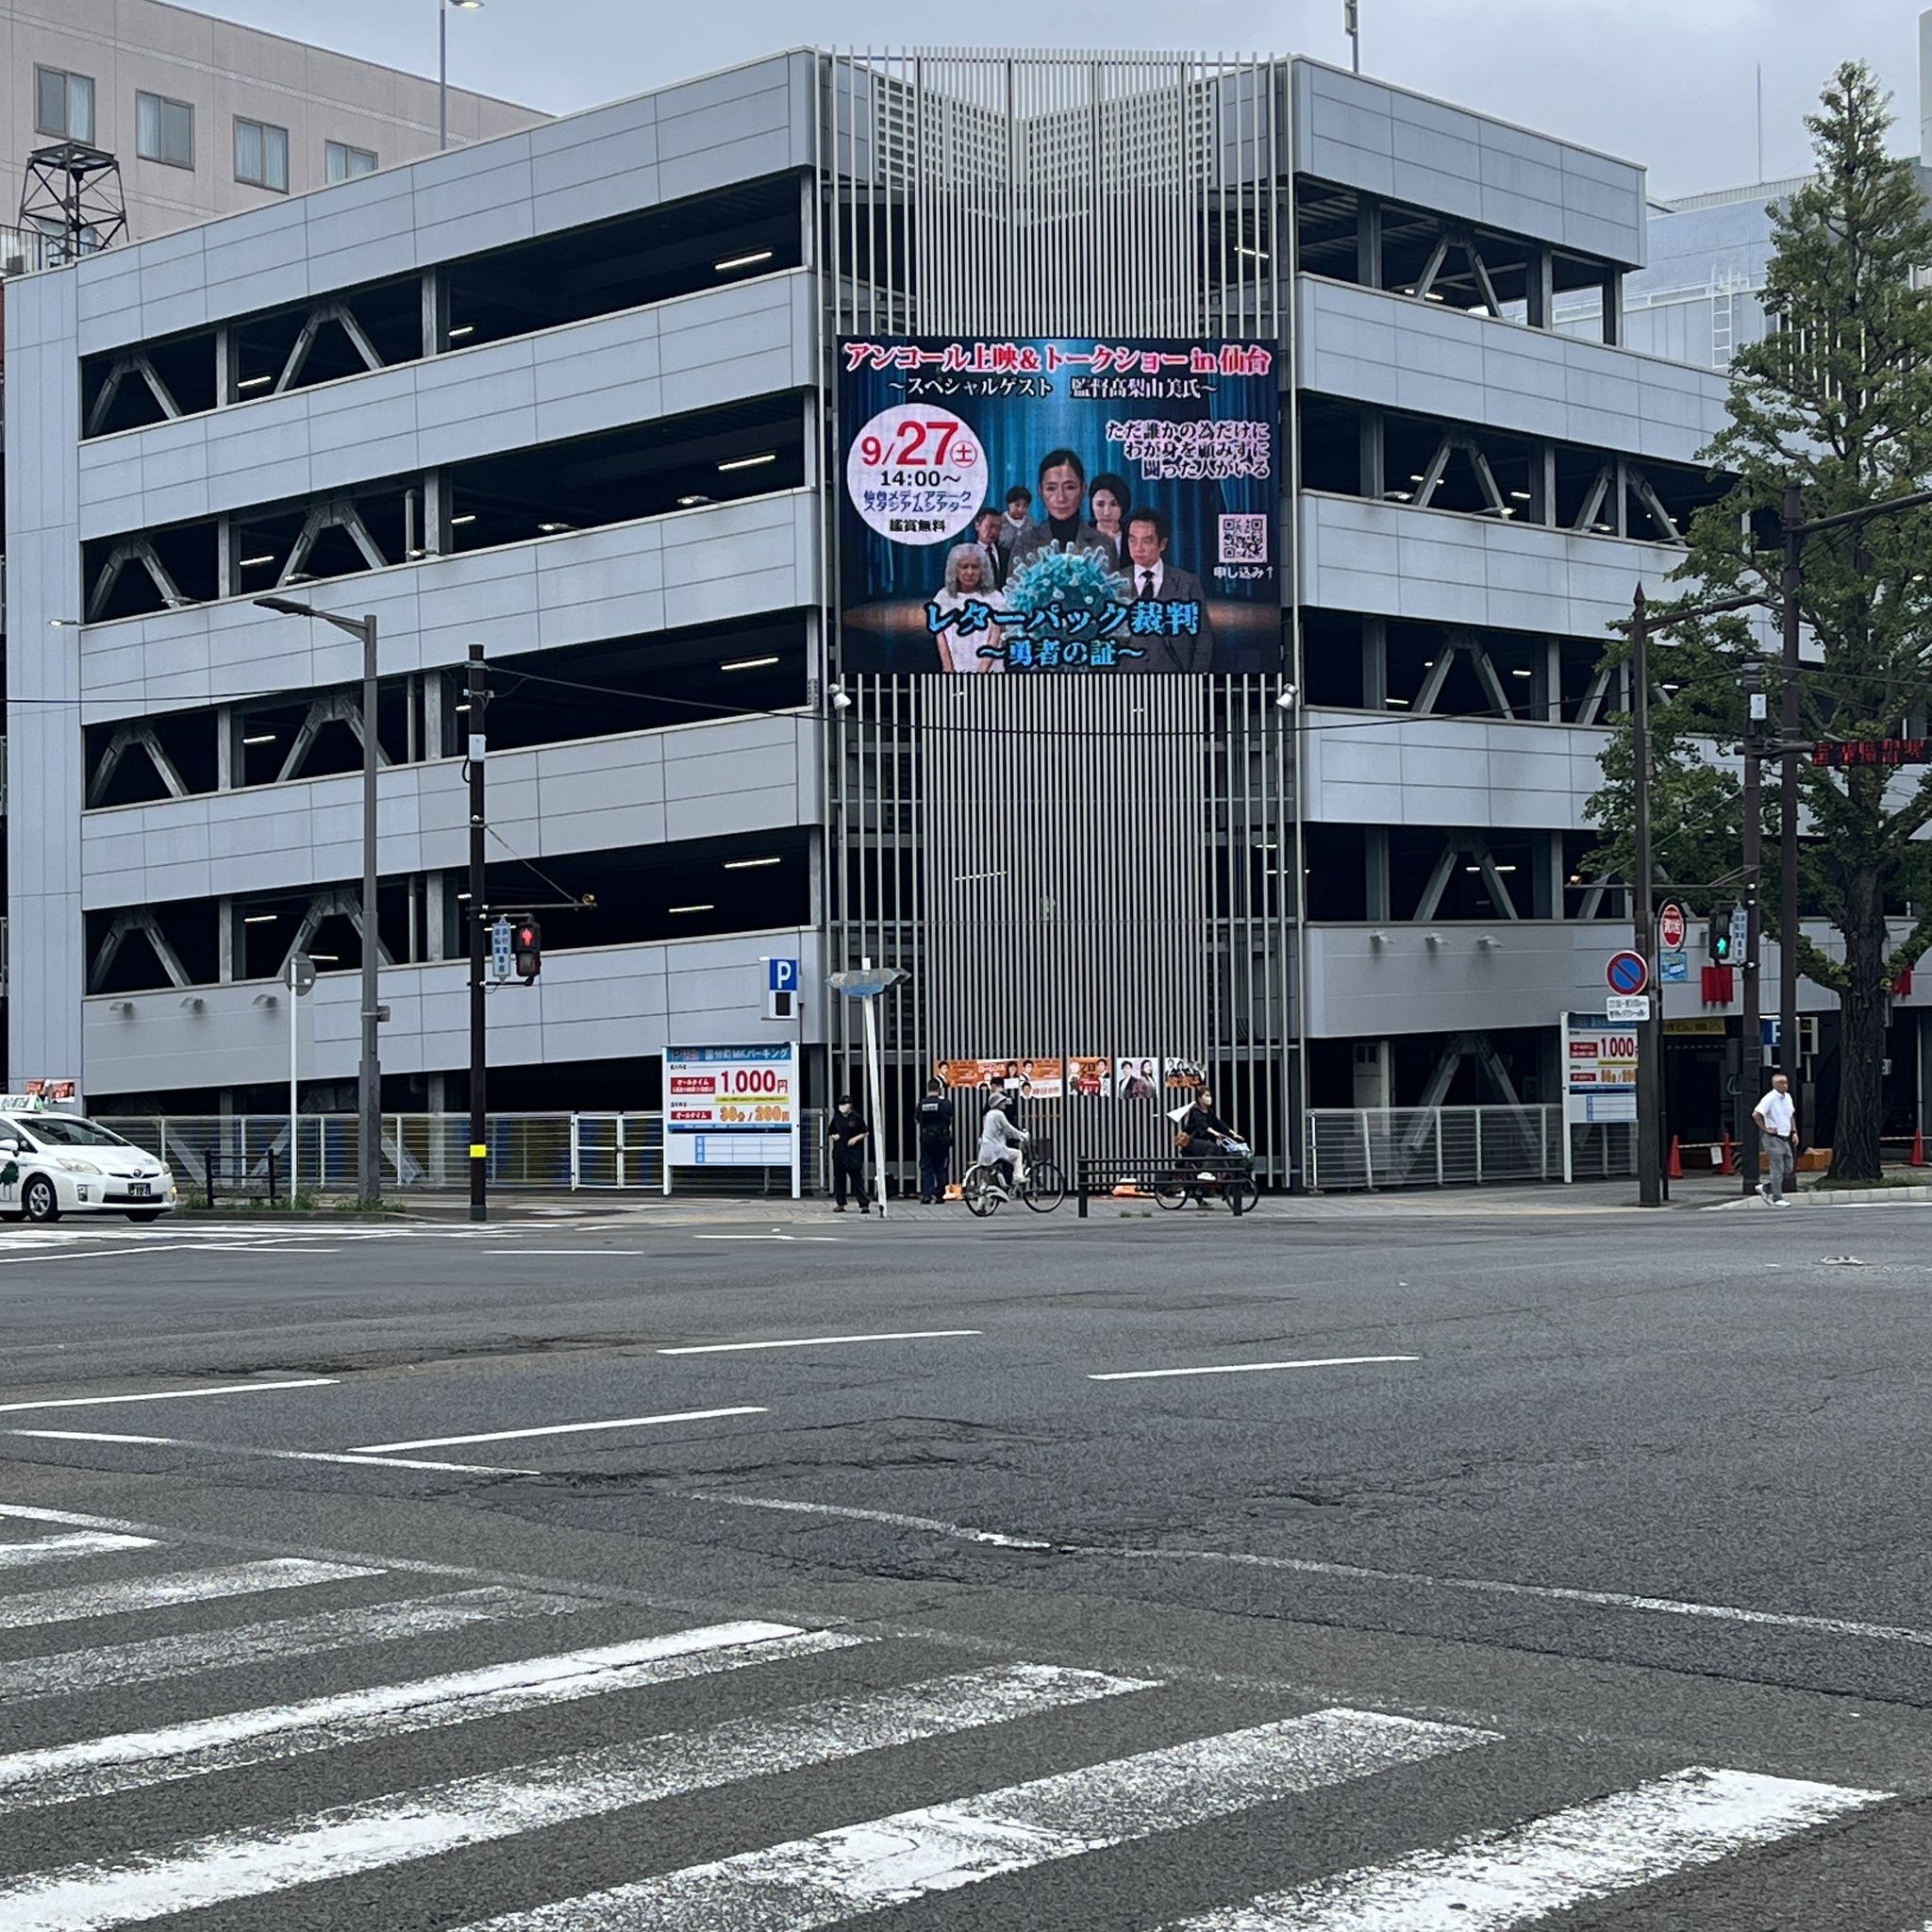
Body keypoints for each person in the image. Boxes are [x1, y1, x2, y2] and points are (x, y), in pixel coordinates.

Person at [1121, 507, 1216, 672]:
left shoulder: (1187, 584)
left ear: (1162, 544)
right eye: (1132, 540)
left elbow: (1203, 638)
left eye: (1146, 541)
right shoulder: (1114, 582)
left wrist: (1194, 679)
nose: (1138, 548)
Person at [1008, 449, 1108, 573]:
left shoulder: (1103, 545)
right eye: (1051, 488)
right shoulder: (1025, 544)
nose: (1061, 498)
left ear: (1083, 489)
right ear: (1040, 491)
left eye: (1070, 487)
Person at [928, 544, 1008, 672]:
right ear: (955, 570)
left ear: (983, 570)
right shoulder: (943, 597)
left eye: (975, 567)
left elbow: (995, 636)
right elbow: (941, 636)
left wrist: (982, 670)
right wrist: (948, 667)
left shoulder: (995, 598)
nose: (970, 572)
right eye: (964, 567)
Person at [1176, 1087, 1237, 1207]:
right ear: (1199, 1098)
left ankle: (1225, 1184)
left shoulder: (1209, 1112)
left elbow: (1218, 1123)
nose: (1210, 1098)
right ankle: (1204, 1172)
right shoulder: (1195, 1111)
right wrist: (1216, 1134)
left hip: (1202, 1144)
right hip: (1192, 1142)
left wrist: (1232, 1133)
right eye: (1206, 1096)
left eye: (1210, 1095)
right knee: (1213, 1148)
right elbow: (1203, 1125)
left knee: (1222, 1158)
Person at [1753, 1071, 1798, 1205]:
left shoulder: (1788, 1097)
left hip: (1785, 1137)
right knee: (1777, 1168)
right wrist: (1766, 1128)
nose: (1784, 1085)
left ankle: (1766, 1188)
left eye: (1786, 1083)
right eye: (1781, 1083)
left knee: (1788, 1168)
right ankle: (1777, 1197)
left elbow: (1790, 1115)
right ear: (1774, 1085)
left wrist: (1794, 1132)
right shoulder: (1770, 1098)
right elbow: (1756, 1114)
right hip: (1772, 1138)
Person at [977, 1092, 1028, 1198]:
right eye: (1002, 1101)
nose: (1005, 1103)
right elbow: (1008, 1128)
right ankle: (1018, 1176)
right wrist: (1022, 1136)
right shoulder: (999, 1114)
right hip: (996, 1149)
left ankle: (984, 1199)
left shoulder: (989, 1114)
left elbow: (1001, 1131)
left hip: (985, 1150)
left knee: (988, 1175)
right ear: (997, 1103)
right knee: (1018, 1154)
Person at [827, 1095, 871, 1213]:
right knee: (839, 1179)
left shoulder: (856, 1118)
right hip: (839, 1151)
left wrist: (855, 1139)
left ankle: (864, 1204)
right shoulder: (837, 1118)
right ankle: (840, 1203)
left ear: (850, 1105)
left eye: (845, 1104)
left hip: (853, 1152)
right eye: (841, 1105)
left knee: (856, 1178)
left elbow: (865, 1132)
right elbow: (831, 1132)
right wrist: (834, 1136)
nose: (842, 1107)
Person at [916, 1077, 954, 1205]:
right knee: (941, 1167)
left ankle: (927, 1195)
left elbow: (917, 1120)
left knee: (926, 1166)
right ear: (939, 1089)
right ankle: (939, 1195)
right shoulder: (945, 1103)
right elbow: (950, 1118)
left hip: (927, 1138)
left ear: (928, 1089)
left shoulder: (922, 1103)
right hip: (942, 1139)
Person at [1089, 471, 1131, 568]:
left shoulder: (1133, 534)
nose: (1107, 512)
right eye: (1100, 505)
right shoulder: (1081, 534)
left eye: (1114, 504)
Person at [971, 507, 1008, 591]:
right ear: (977, 525)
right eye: (990, 526)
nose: (994, 531)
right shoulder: (967, 553)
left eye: (998, 527)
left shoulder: (1005, 553)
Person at [997, 486, 1034, 560]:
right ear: (1009, 504)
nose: (1021, 509)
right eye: (1017, 505)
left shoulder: (1031, 523)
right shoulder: (999, 522)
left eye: (1025, 506)